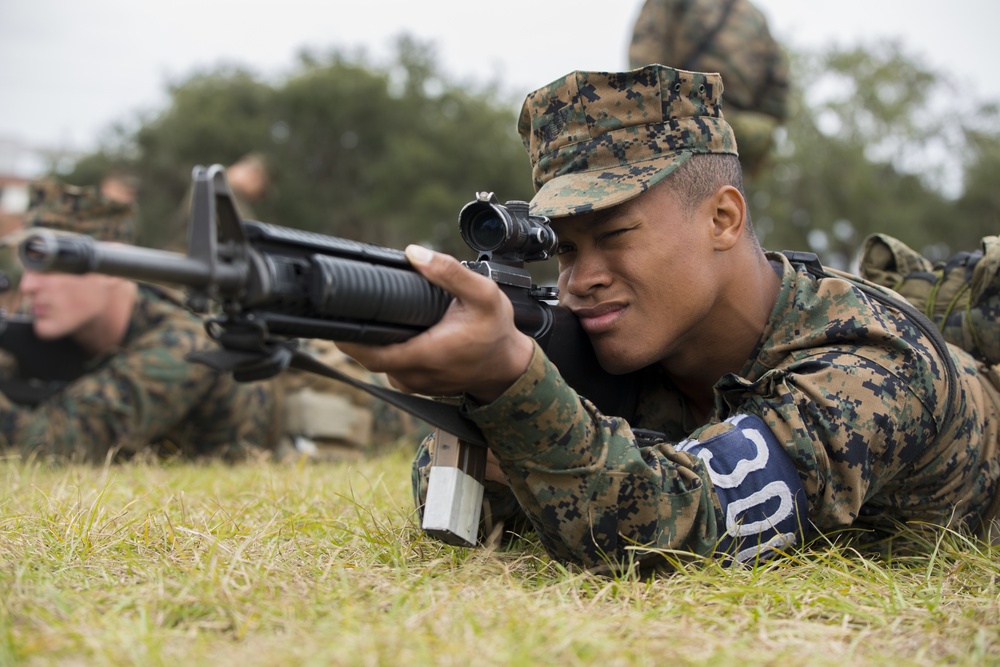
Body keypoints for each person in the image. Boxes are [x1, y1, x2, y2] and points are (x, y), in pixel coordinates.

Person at [339, 64, 1000, 570]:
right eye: (565, 249)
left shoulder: (873, 363)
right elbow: (458, 496)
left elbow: (684, 527)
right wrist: (479, 397)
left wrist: (514, 385)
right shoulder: (626, 347)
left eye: (615, 235)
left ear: (723, 218)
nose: (582, 278)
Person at [0, 179, 279, 462]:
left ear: (110, 266)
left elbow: (56, 444)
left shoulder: (184, 344)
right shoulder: (49, 326)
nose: (28, 286)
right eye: (27, 267)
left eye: (49, 268)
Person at [628, 0, 790, 177]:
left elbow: (644, 62)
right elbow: (777, 98)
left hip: (684, 122)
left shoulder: (756, 17)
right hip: (715, 132)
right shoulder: (756, 17)